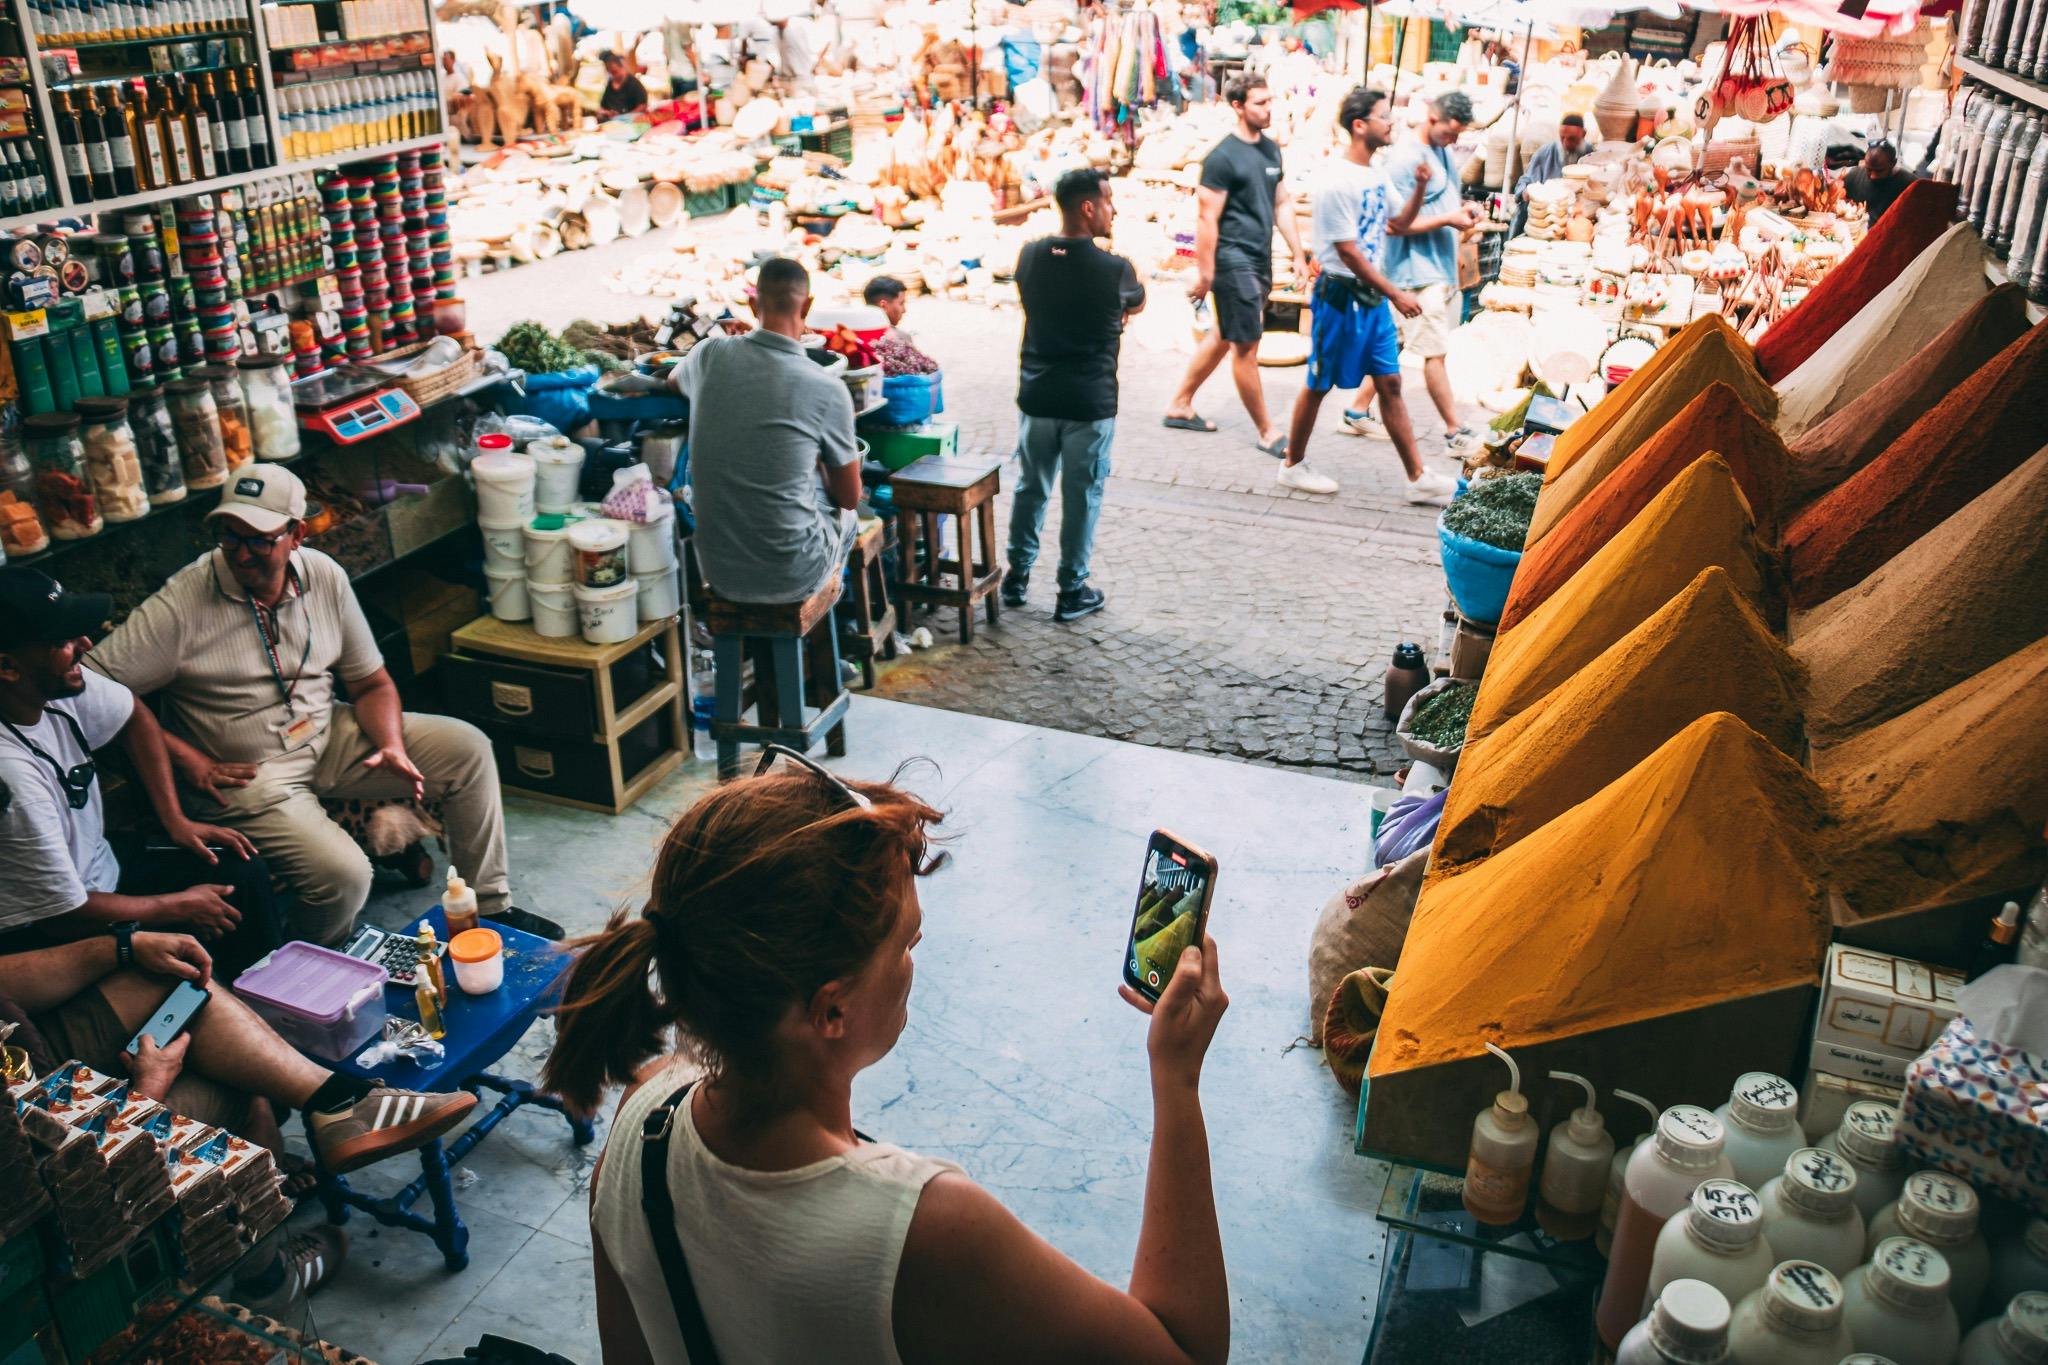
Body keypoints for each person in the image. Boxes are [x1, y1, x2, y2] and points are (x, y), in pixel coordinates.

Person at [544, 755, 1232, 1365]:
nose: (915, 951)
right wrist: (1178, 1079)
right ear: (832, 1010)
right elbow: (1186, 1351)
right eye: (905, 941)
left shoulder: (638, 1129)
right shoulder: (923, 1229)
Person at [85, 465, 510, 948]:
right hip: (249, 776)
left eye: (259, 540)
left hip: (329, 733)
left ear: (296, 535)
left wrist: (390, 744)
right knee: (345, 875)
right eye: (231, 536)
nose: (242, 554)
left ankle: (496, 914)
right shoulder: (187, 599)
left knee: (468, 748)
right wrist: (190, 759)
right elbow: (93, 683)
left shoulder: (324, 575)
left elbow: (370, 683)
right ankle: (309, 971)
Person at [1, 913, 475, 1177]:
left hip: (27, 1045)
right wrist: (148, 1088)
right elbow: (33, 1163)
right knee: (242, 1086)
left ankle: (339, 1103)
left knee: (156, 977)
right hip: (39, 1137)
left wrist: (122, 946)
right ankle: (267, 1269)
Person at [0, 569, 285, 980]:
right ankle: (223, 1015)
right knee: (199, 919)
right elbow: (64, 915)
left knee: (239, 868)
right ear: (8, 667)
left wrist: (175, 820)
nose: (86, 644)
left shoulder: (51, 686)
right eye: (63, 641)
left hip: (100, 871)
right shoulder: (13, 782)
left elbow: (134, 714)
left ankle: (272, 1000)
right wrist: (176, 905)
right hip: (51, 931)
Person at [1282, 89, 1457, 505]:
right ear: (1360, 126)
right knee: (1319, 382)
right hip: (1341, 297)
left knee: (1391, 382)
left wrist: (1418, 188)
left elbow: (1397, 224)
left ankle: (1417, 477)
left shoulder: (1376, 173)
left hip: (1372, 299)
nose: (1391, 122)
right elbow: (1347, 250)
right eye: (1383, 116)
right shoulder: (1336, 180)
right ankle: (1292, 464)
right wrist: (1395, 292)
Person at [672, 257, 860, 605]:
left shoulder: (709, 354)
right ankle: (828, 637)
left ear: (753, 304)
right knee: (849, 518)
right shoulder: (827, 388)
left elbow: (673, 379)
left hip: (718, 572)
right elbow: (848, 497)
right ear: (807, 305)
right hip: (793, 576)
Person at [1004, 168, 1146, 623]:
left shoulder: (1029, 255)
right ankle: (1071, 589)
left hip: (1038, 397)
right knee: (1082, 496)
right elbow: (1136, 303)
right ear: (1088, 207)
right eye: (1108, 200)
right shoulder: (1115, 268)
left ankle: (1017, 578)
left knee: (1031, 488)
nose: (1113, 209)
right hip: (1089, 402)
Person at [1162, 74, 1310, 458]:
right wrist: (1207, 272)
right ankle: (1266, 431)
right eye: (1259, 102)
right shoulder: (1221, 158)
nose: (1268, 108)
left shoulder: (1271, 150)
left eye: (1269, 100)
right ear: (1238, 106)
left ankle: (1180, 403)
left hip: (1259, 257)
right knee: (1246, 344)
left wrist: (1297, 253)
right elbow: (1207, 219)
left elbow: (1281, 202)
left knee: (1225, 334)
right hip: (1232, 260)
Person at [1343, 92, 1484, 456]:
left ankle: (1356, 409)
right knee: (1435, 352)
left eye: (1458, 135)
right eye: (1451, 133)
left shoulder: (1440, 152)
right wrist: (1448, 219)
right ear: (1433, 118)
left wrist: (1463, 209)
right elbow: (1394, 225)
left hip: (1434, 267)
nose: (1454, 141)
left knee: (1393, 345)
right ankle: (1454, 432)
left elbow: (1442, 201)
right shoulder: (1405, 159)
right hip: (1415, 272)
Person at [1512, 113, 1588, 235]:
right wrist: (1524, 192)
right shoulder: (1545, 153)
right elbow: (1525, 181)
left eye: (1572, 139)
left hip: (1577, 220)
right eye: (1562, 137)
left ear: (1583, 134)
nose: (1566, 143)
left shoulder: (1590, 154)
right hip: (1545, 221)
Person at [1844, 140, 1913, 223]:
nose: (1873, 176)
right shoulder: (1853, 176)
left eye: (1879, 171)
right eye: (1869, 169)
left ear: (1893, 163)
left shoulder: (1909, 186)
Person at [598, 49, 649, 115]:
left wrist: (627, 116)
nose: (613, 75)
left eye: (615, 72)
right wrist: (605, 112)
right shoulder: (610, 84)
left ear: (621, 67)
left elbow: (642, 106)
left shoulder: (633, 83)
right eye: (611, 73)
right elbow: (603, 106)